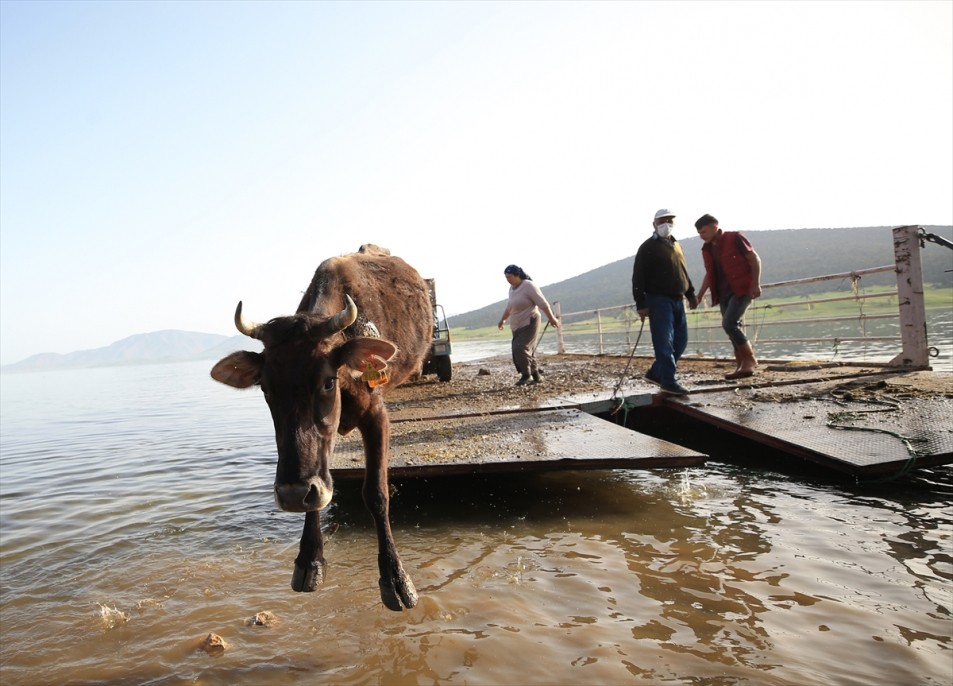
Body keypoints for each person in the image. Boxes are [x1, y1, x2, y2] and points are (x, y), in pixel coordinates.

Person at [631, 209, 698, 395]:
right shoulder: (647, 248)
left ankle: (656, 372)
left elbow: (683, 271)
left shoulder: (676, 245)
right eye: (662, 221)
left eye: (670, 220)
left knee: (681, 340)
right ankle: (669, 380)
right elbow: (638, 277)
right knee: (664, 341)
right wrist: (641, 303)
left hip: (678, 298)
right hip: (658, 299)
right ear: (654, 224)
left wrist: (690, 293)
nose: (666, 224)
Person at [694, 213, 763, 379]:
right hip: (722, 292)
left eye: (703, 232)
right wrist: (700, 295)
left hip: (741, 288)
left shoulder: (735, 238)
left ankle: (750, 360)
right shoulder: (707, 249)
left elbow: (754, 259)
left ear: (714, 227)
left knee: (729, 323)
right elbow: (709, 274)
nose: (701, 236)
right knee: (731, 328)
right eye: (699, 233)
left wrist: (755, 283)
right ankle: (740, 365)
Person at [497, 265, 561, 386]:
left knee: (520, 347)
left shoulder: (528, 285)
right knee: (526, 350)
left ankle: (526, 375)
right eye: (506, 277)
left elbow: (542, 303)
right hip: (517, 324)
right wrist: (502, 320)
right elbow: (510, 307)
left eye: (509, 277)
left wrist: (552, 318)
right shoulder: (512, 289)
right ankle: (536, 375)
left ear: (517, 275)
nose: (507, 279)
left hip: (530, 321)